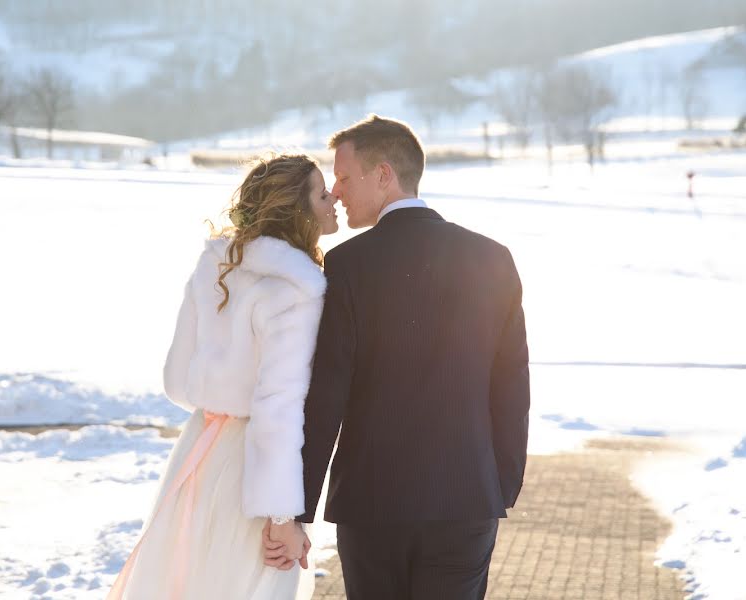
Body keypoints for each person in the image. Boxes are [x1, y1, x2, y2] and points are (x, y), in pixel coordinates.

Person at [264, 115, 531, 600]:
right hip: (467, 501)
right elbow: (511, 387)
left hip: (372, 504)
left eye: (344, 178)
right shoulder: (494, 259)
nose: (337, 192)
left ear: (383, 174)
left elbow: (326, 397)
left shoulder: (346, 266)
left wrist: (297, 508)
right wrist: (499, 485)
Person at [106, 153, 338, 600]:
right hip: (254, 473)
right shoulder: (296, 289)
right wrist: (283, 517)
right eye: (323, 194)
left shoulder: (216, 264)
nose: (334, 201)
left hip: (199, 446)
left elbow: (177, 380)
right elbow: (278, 407)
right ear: (296, 209)